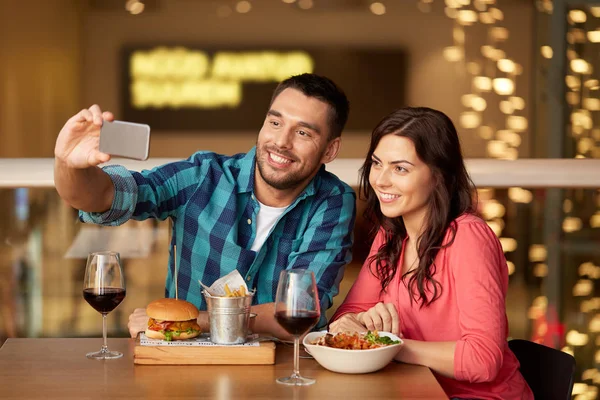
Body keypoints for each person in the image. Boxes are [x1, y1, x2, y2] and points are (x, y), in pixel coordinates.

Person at [54, 73, 356, 340]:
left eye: (303, 132)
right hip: (190, 363)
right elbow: (107, 197)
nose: (281, 141)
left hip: (284, 370)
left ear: (330, 149)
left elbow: (301, 309)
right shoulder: (203, 176)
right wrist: (68, 164)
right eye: (275, 122)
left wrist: (186, 322)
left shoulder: (333, 202)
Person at [329, 107, 533, 399]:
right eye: (377, 163)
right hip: (413, 390)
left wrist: (388, 343)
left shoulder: (467, 238)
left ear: (439, 176)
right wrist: (356, 323)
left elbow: (482, 360)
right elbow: (346, 315)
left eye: (400, 168)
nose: (381, 180)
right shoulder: (391, 234)